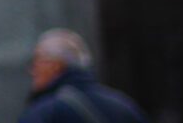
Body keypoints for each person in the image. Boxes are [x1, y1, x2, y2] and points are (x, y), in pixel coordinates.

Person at [18, 30, 149, 123]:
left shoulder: (46, 112)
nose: (32, 70)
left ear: (55, 65)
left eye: (36, 61)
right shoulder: (124, 106)